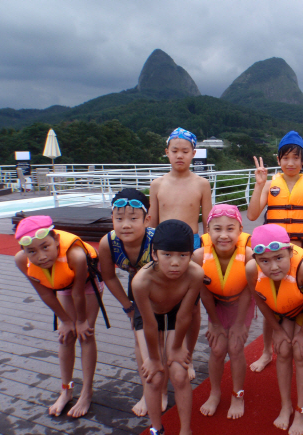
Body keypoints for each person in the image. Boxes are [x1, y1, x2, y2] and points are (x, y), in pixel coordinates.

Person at [248, 130, 303, 379]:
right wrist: (259, 186)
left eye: (295, 157)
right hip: (273, 254)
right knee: (271, 301)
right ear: (278, 160)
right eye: (285, 157)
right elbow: (251, 215)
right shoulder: (270, 185)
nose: (290, 163)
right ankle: (266, 352)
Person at [14, 216, 107, 418]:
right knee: (66, 337)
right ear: (24, 251)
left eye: (45, 247)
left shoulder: (76, 256)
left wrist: (81, 322)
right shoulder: (21, 260)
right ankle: (66, 389)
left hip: (86, 283)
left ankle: (86, 392)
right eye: (32, 251)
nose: (41, 257)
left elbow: (78, 293)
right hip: (62, 282)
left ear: (56, 239)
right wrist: (65, 321)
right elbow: (45, 293)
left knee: (85, 334)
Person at [99, 188, 170, 417]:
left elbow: (171, 277)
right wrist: (128, 307)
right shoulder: (108, 242)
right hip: (136, 286)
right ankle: (149, 389)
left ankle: (162, 390)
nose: (125, 225)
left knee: (159, 339)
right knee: (141, 342)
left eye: (133, 218)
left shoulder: (157, 241)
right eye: (119, 218)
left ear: (147, 219)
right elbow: (109, 277)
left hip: (162, 286)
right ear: (112, 219)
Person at [149, 127, 212, 381]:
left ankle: (186, 355)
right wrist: (150, 252)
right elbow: (152, 222)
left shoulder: (201, 184)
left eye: (185, 151)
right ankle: (163, 358)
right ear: (167, 152)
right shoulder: (157, 184)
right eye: (174, 151)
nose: (179, 156)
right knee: (162, 305)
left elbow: (208, 224)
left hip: (192, 248)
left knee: (193, 308)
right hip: (162, 248)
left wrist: (205, 252)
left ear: (193, 153)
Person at [245, 224, 303, 435]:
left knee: (301, 351)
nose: (273, 267)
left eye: (279, 258)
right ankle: (286, 406)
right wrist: (277, 330)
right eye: (265, 261)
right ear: (256, 260)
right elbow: (260, 301)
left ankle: (301, 410)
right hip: (283, 308)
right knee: (284, 350)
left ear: (289, 251)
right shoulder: (251, 269)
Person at [132, 219, 204, 435]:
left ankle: (185, 430)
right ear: (154, 254)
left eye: (183, 255)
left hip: (175, 314)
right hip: (149, 317)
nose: (175, 263)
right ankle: (156, 429)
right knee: (154, 378)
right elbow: (149, 324)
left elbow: (184, 315)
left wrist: (176, 347)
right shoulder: (141, 281)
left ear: (191, 255)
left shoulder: (195, 274)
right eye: (167, 255)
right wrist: (154, 359)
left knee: (180, 374)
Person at [192, 204, 254, 419]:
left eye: (230, 229)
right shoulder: (199, 255)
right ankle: (215, 392)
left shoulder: (248, 254)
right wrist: (215, 324)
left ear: (240, 229)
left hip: (242, 304)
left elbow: (248, 292)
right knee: (217, 349)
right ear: (207, 231)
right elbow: (205, 293)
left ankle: (238, 395)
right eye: (217, 229)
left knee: (235, 348)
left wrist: (239, 324)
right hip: (216, 305)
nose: (224, 235)